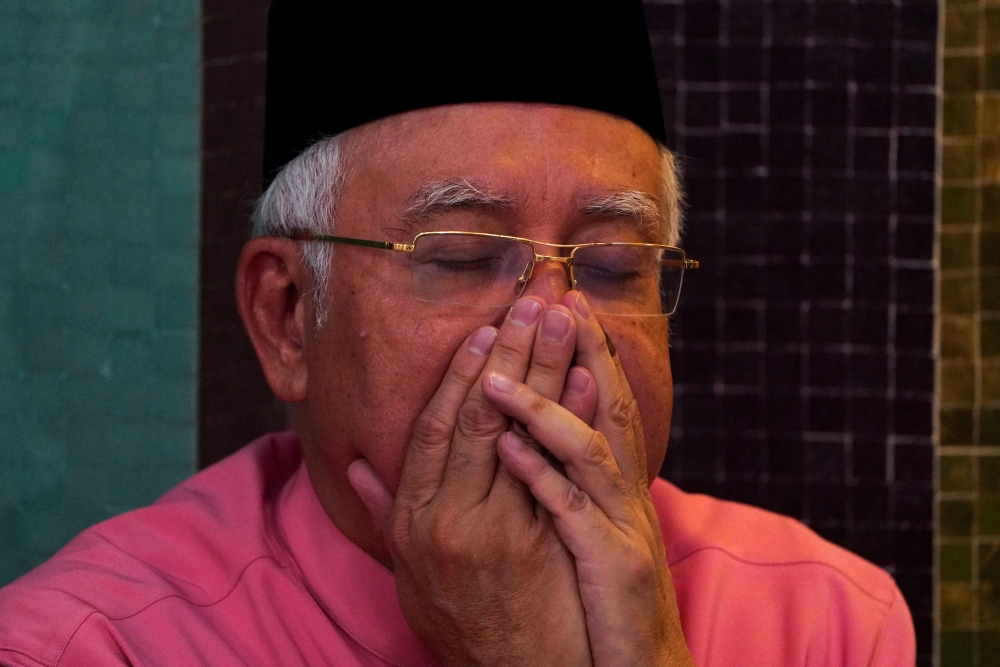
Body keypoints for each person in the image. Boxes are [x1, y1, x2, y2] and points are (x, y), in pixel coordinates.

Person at [0, 2, 916, 665]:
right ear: (286, 315)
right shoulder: (90, 644)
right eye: (462, 256)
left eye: (609, 267)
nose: (554, 324)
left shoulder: (828, 621)